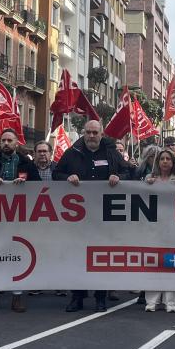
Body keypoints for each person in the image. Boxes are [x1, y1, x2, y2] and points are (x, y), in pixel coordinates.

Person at [53, 119, 127, 312]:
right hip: (78, 217)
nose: (91, 136)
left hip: (104, 216)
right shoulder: (72, 153)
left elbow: (129, 171)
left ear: (101, 134)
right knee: (77, 256)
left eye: (95, 132)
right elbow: (56, 174)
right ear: (83, 133)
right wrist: (67, 177)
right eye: (88, 132)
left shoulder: (111, 153)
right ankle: (77, 297)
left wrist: (119, 177)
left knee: (101, 257)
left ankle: (100, 297)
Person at [0, 129, 41, 313]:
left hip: (19, 215)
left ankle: (17, 296)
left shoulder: (26, 162)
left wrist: (25, 183)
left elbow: (38, 185)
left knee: (18, 255)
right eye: (3, 140)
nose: (6, 143)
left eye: (9, 140)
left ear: (16, 143)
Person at [143, 149, 175, 313]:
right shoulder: (150, 179)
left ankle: (171, 302)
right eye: (162, 159)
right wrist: (147, 184)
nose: (165, 161)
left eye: (168, 159)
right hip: (154, 228)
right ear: (158, 162)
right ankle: (151, 301)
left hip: (174, 228)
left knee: (172, 264)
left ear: (173, 162)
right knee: (153, 264)